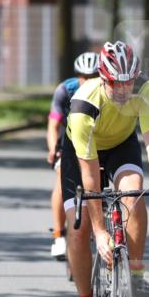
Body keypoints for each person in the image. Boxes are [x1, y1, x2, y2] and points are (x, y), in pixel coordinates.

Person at [63, 41, 149, 297]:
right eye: (116, 84)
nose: (124, 90)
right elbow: (89, 176)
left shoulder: (144, 87)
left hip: (121, 144)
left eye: (128, 82)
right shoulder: (84, 104)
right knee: (80, 227)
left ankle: (135, 275)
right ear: (102, 78)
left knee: (133, 196)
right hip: (82, 152)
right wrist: (100, 232)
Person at [46, 51, 101, 260]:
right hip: (67, 142)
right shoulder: (64, 90)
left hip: (96, 142)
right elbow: (53, 125)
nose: (88, 81)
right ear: (78, 77)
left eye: (94, 76)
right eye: (84, 77)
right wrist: (53, 148)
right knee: (61, 183)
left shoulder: (103, 91)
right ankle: (59, 235)